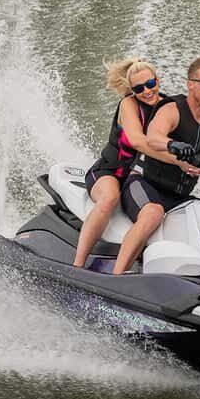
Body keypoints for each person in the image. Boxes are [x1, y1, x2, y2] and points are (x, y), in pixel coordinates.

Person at [114, 56, 200, 275]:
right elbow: (153, 138)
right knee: (153, 213)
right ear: (191, 84)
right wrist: (173, 145)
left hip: (179, 197)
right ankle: (115, 277)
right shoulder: (172, 109)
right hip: (144, 183)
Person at [73, 58, 169, 268]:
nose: (147, 91)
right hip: (108, 171)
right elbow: (138, 141)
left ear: (157, 80)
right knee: (109, 198)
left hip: (137, 180)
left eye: (150, 84)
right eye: (139, 88)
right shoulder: (129, 105)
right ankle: (77, 266)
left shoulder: (169, 107)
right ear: (132, 91)